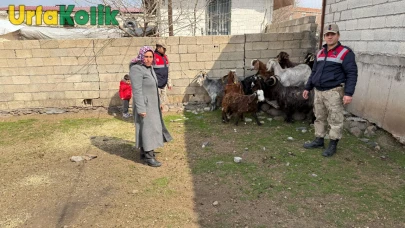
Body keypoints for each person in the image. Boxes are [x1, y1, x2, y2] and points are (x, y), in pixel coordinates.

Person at [302, 24, 358, 157]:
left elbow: (352, 74)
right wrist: (307, 87)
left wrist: (349, 93)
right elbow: (314, 72)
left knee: (335, 119)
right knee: (319, 117)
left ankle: (333, 144)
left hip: (334, 91)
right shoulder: (320, 53)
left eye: (332, 34)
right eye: (327, 34)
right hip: (319, 92)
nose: (330, 36)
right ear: (324, 37)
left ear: (338, 35)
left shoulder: (345, 53)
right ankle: (319, 140)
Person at [129, 46, 173, 167]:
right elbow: (136, 90)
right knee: (149, 129)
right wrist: (141, 108)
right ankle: (149, 156)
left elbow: (153, 88)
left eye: (150, 57)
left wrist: (159, 104)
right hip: (145, 105)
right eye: (146, 57)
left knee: (149, 128)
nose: (148, 59)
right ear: (141, 56)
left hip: (153, 105)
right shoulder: (136, 69)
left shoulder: (150, 68)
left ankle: (144, 152)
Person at [153, 40, 172, 110]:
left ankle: (160, 113)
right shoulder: (153, 57)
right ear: (158, 48)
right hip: (156, 84)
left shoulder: (165, 57)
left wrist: (169, 83)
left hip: (164, 84)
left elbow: (168, 71)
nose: (165, 50)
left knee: (163, 102)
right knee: (156, 101)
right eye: (163, 48)